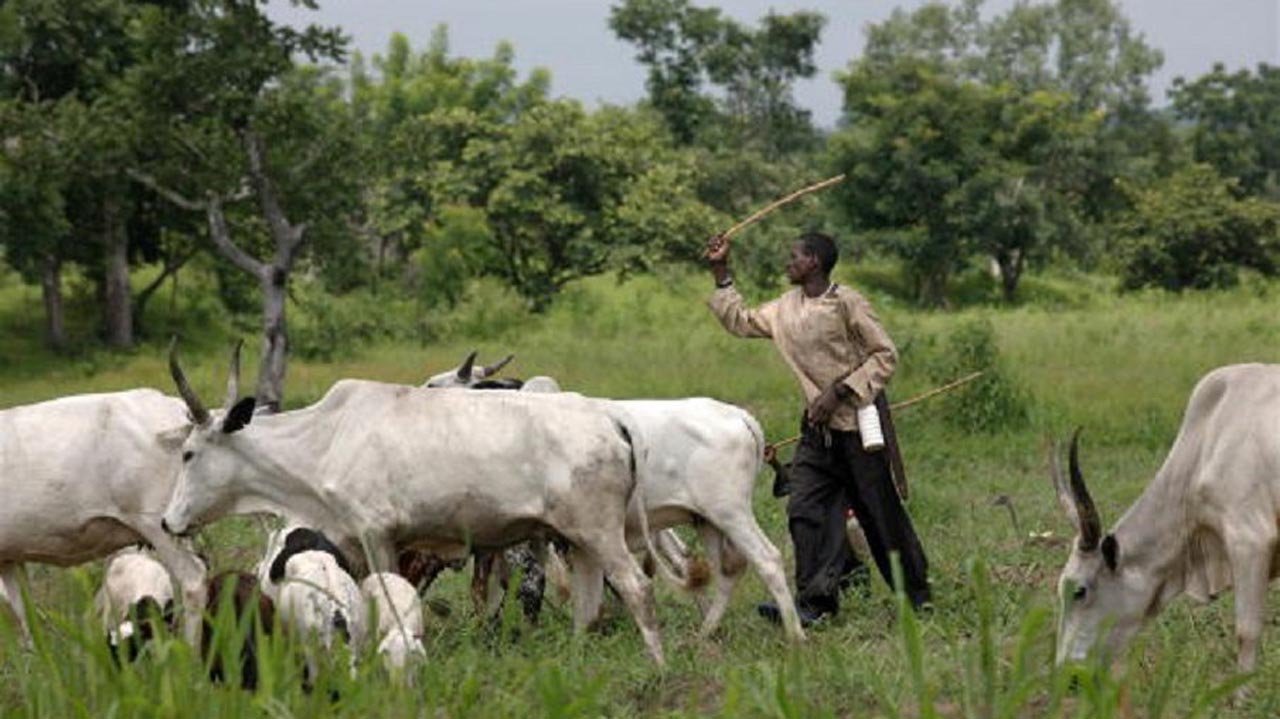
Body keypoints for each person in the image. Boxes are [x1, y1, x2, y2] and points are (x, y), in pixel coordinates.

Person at [705, 231, 931, 625]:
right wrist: (721, 271)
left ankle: (917, 597)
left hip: (859, 427)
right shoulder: (784, 308)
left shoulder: (848, 302)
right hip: (817, 432)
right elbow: (740, 322)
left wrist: (839, 391)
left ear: (815, 262)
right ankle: (815, 603)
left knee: (880, 515)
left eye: (794, 256)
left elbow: (885, 355)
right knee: (804, 509)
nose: (787, 263)